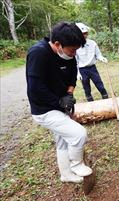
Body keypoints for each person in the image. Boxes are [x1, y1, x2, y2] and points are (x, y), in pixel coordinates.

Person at [26, 22, 93, 183]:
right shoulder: (38, 54)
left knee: (63, 140)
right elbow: (36, 87)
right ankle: (76, 165)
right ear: (57, 44)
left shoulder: (68, 55)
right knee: (78, 134)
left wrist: (69, 94)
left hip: (62, 103)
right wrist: (59, 102)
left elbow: (72, 73)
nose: (74, 54)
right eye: (72, 50)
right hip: (44, 109)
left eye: (76, 50)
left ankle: (66, 174)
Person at [75, 22, 108, 101]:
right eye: (82, 34)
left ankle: (106, 98)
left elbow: (98, 55)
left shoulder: (93, 43)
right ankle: (90, 102)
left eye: (86, 33)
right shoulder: (75, 46)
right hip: (82, 70)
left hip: (92, 68)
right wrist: (78, 73)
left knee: (99, 83)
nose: (85, 35)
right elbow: (75, 62)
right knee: (86, 87)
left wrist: (102, 58)